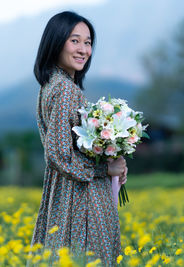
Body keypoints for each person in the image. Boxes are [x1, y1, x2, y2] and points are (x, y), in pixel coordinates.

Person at [30, 11, 127, 266]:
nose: (83, 49)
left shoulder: (49, 86)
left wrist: (110, 156)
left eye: (88, 42)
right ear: (56, 42)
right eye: (75, 41)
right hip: (81, 197)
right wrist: (105, 169)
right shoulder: (65, 91)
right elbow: (58, 155)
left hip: (61, 194)